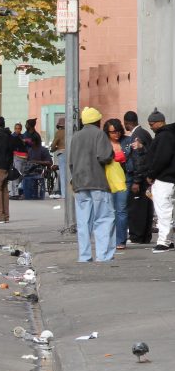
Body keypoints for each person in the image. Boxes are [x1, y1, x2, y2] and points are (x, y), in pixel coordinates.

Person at [68, 108, 116, 263]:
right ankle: (103, 256)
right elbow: (104, 156)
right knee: (104, 219)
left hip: (80, 183)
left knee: (83, 222)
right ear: (98, 121)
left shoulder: (76, 137)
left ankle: (84, 256)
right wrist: (112, 155)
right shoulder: (99, 134)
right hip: (98, 183)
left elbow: (71, 163)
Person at [145, 109, 175, 252]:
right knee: (169, 211)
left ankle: (163, 242)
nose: (150, 127)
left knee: (163, 212)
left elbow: (161, 158)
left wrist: (151, 174)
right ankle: (168, 240)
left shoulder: (164, 136)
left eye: (151, 124)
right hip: (170, 179)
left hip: (163, 179)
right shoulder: (170, 135)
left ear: (160, 122)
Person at [124, 110, 154, 244]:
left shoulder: (136, 136)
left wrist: (136, 181)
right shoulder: (145, 132)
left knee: (136, 208)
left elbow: (138, 159)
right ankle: (146, 236)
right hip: (147, 177)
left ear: (127, 123)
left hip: (140, 178)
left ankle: (137, 236)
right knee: (147, 208)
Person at [103, 119, 131, 251]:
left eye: (118, 131)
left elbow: (133, 159)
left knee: (121, 211)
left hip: (123, 181)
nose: (116, 134)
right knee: (109, 212)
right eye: (113, 132)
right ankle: (109, 239)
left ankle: (120, 240)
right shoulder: (103, 143)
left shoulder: (127, 141)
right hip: (107, 182)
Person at [49, 118, 68, 199]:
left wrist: (53, 149)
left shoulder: (59, 133)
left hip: (62, 153)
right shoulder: (71, 131)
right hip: (71, 153)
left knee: (63, 175)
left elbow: (53, 145)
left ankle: (64, 195)